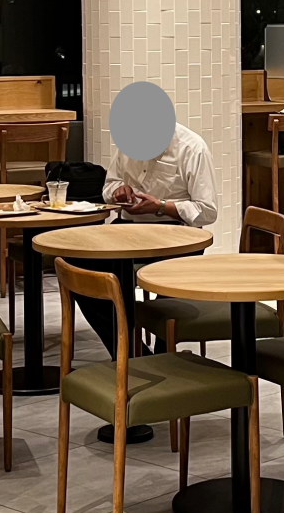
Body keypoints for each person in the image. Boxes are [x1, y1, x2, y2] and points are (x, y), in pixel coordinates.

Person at [71, 123, 218, 359]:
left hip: (178, 234)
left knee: (169, 287)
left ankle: (160, 355)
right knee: (80, 268)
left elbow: (207, 211)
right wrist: (119, 191)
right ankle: (131, 353)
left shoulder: (192, 148)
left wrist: (161, 207)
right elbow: (109, 186)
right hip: (129, 228)